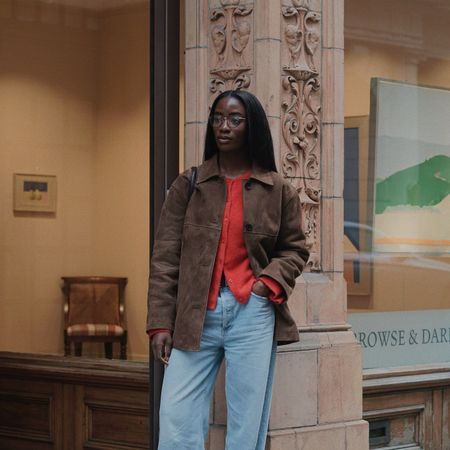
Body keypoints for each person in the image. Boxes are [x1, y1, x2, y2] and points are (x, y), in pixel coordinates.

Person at [147, 90, 309, 450]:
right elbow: (165, 257)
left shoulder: (276, 189)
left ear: (251, 127)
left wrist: (266, 284)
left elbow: (295, 248)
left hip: (251, 313)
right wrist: (160, 321)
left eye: (235, 119)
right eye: (218, 118)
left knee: (245, 421)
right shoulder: (188, 185)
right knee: (176, 416)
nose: (224, 126)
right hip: (195, 314)